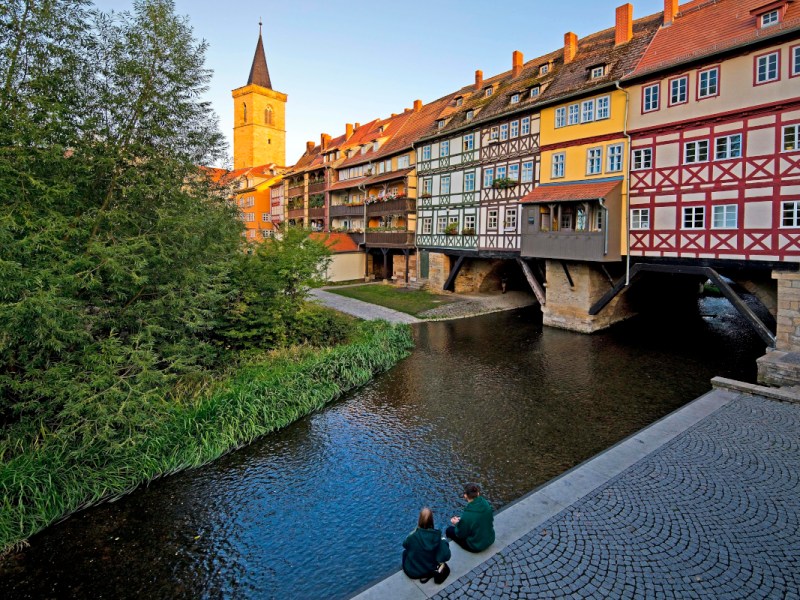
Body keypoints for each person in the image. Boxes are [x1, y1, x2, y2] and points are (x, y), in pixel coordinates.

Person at [402, 507, 451, 582]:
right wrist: (444, 540)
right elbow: (446, 555)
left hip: (411, 573)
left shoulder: (412, 536)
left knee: (405, 553)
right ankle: (428, 573)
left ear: (419, 520)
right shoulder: (437, 536)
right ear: (432, 520)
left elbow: (405, 545)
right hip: (429, 570)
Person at [446, 483, 495, 552]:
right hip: (490, 539)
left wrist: (457, 523)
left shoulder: (467, 514)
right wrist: (463, 521)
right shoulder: (485, 503)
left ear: (465, 495)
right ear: (478, 493)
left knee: (449, 530)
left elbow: (460, 534)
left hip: (476, 546)